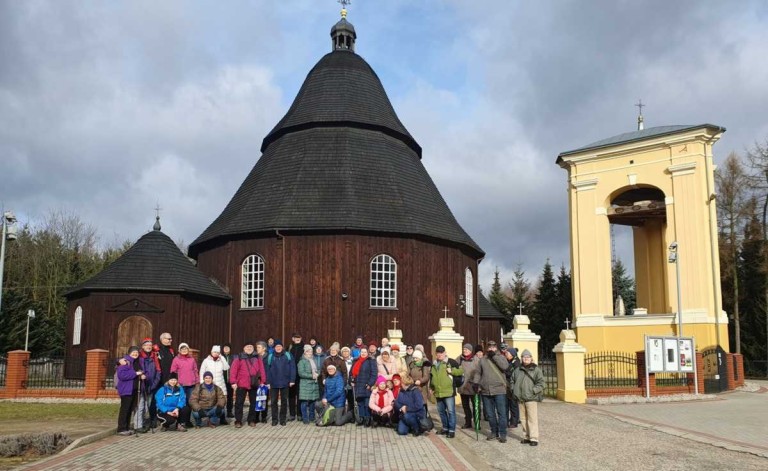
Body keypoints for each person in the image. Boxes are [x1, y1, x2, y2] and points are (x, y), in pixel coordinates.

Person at [469, 340, 510, 442]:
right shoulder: (483, 360)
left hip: (499, 389)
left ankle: (503, 434)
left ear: (496, 348)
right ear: (487, 348)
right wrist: (476, 383)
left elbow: (505, 367)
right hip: (485, 390)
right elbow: (478, 373)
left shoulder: (501, 357)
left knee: (501, 413)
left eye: (493, 347)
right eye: (489, 347)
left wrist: (494, 356)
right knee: (490, 414)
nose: (491, 349)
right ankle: (493, 431)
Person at [511, 349, 545, 446]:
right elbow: (512, 381)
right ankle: (526, 436)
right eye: (524, 357)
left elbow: (541, 383)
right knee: (523, 419)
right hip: (520, 398)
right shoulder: (517, 370)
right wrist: (514, 390)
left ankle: (534, 438)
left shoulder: (536, 370)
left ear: (531, 358)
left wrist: (533, 391)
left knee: (532, 418)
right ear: (521, 358)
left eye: (527, 357)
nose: (525, 358)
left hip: (531, 398)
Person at [230, 341, 267, 428]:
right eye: (247, 347)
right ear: (244, 348)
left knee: (253, 403)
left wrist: (263, 381)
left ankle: (251, 420)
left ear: (253, 348)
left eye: (250, 346)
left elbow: (262, 370)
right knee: (239, 403)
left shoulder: (257, 357)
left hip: (254, 383)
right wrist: (233, 382)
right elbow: (233, 370)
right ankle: (238, 420)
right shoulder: (239, 357)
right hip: (241, 383)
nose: (249, 348)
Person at [430, 345, 463, 438]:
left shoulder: (451, 362)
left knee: (451, 411)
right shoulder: (434, 364)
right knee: (441, 412)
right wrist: (431, 387)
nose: (439, 355)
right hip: (438, 392)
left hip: (448, 392)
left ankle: (451, 430)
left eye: (441, 353)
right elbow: (432, 377)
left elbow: (461, 371)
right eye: (438, 353)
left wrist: (452, 370)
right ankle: (445, 428)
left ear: (445, 353)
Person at [266, 340, 296, 426]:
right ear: (274, 348)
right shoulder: (271, 356)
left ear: (282, 347)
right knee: (273, 402)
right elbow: (267, 370)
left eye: (280, 346)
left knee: (284, 401)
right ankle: (275, 419)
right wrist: (268, 382)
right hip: (273, 382)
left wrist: (292, 380)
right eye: (276, 347)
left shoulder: (288, 355)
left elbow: (293, 368)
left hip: (285, 382)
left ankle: (282, 419)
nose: (278, 348)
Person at [199, 345, 230, 424]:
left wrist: (222, 358)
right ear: (211, 352)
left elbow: (226, 368)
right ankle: (211, 418)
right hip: (210, 384)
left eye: (217, 352)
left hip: (220, 384)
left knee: (222, 401)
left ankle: (222, 418)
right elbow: (202, 372)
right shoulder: (206, 361)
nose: (216, 353)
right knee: (212, 401)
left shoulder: (221, 360)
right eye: (214, 352)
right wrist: (202, 383)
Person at [116, 346, 143, 436]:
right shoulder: (125, 362)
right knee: (125, 409)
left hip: (134, 389)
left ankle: (126, 427)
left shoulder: (136, 362)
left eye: (136, 352)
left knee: (130, 409)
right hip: (126, 389)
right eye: (133, 352)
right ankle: (121, 428)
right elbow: (122, 375)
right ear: (129, 353)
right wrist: (135, 373)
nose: (135, 354)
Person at [135, 338, 160, 433]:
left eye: (150, 345)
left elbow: (158, 371)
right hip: (141, 385)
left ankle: (143, 423)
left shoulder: (154, 357)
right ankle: (138, 425)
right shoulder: (139, 356)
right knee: (140, 406)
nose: (148, 347)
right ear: (142, 346)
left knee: (146, 406)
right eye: (146, 345)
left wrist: (154, 384)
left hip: (151, 385)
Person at [150, 332, 174, 428]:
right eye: (168, 339)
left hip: (169, 380)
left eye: (171, 339)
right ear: (162, 339)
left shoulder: (171, 351)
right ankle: (153, 419)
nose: (170, 340)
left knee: (167, 401)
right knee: (155, 401)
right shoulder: (156, 350)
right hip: (158, 381)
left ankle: (165, 420)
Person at [351, 347, 377, 427]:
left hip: (366, 386)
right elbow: (351, 373)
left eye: (365, 352)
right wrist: (351, 381)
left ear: (367, 353)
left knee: (366, 403)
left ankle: (367, 419)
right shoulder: (356, 361)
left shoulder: (371, 361)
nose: (363, 353)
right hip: (358, 385)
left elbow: (374, 373)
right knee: (360, 403)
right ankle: (361, 418)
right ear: (360, 352)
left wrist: (370, 384)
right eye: (362, 352)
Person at [456, 343, 479, 430]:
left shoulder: (476, 359)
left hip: (473, 386)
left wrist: (477, 383)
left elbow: (479, 371)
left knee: (475, 406)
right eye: (464, 349)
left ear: (470, 350)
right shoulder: (460, 358)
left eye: (466, 349)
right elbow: (454, 365)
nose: (464, 351)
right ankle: (468, 422)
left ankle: (477, 422)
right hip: (463, 386)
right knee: (465, 406)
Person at [171, 342, 199, 408]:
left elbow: (195, 370)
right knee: (181, 400)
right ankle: (181, 416)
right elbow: (173, 371)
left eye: (185, 349)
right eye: (182, 349)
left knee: (190, 400)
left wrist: (197, 381)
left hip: (191, 384)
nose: (184, 350)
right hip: (181, 384)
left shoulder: (192, 359)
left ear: (188, 350)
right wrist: (174, 382)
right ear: (179, 350)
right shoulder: (176, 359)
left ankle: (188, 416)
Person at [297, 345, 320, 424]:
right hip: (305, 384)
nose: (310, 353)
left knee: (313, 402)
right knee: (304, 402)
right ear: (305, 352)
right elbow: (301, 373)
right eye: (308, 351)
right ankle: (305, 418)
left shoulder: (314, 360)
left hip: (314, 383)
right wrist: (312, 376)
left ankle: (312, 417)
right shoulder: (301, 361)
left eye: (310, 351)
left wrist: (318, 374)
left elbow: (318, 369)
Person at [502, 346, 521, 428]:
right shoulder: (507, 361)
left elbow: (514, 374)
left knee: (513, 405)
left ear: (512, 354)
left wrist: (505, 372)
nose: (506, 354)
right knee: (505, 405)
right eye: (506, 353)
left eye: (508, 353)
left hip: (513, 386)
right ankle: (505, 421)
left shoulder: (516, 362)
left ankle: (514, 421)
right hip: (506, 386)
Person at [288, 333, 304, 422]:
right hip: (291, 375)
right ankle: (292, 414)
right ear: (293, 338)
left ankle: (299, 414)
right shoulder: (289, 348)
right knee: (291, 395)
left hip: (300, 375)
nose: (297, 339)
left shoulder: (304, 347)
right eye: (296, 338)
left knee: (300, 395)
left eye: (299, 337)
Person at [254, 341, 270, 424]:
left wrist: (268, 381)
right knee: (256, 399)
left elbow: (269, 370)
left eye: (259, 347)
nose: (257, 349)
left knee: (264, 399)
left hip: (265, 381)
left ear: (264, 348)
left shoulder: (268, 357)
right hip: (256, 381)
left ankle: (264, 417)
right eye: (257, 347)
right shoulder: (255, 357)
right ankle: (256, 417)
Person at [221, 343, 235, 418]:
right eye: (225, 348)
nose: (226, 349)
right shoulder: (220, 357)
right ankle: (221, 412)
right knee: (222, 397)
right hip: (222, 381)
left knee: (230, 397)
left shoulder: (233, 358)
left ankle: (229, 411)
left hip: (230, 381)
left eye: (228, 348)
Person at [341, 346, 355, 411]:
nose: (345, 353)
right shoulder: (340, 360)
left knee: (351, 399)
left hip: (350, 382)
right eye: (344, 351)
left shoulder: (353, 360)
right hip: (342, 382)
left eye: (347, 351)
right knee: (342, 399)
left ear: (349, 352)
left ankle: (351, 415)